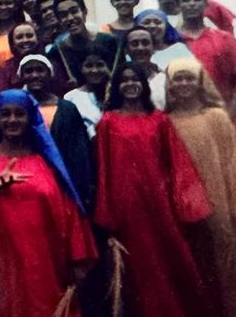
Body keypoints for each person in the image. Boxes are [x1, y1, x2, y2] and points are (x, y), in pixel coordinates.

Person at [0, 90, 96, 317]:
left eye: (19, 114)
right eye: (5, 114)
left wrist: (77, 258)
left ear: (31, 118)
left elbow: (68, 213)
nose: (12, 120)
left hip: (45, 266)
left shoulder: (47, 163)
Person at [94, 62, 212, 317]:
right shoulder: (108, 123)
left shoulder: (159, 120)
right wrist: (108, 215)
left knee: (170, 260)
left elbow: (177, 164)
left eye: (135, 79)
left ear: (143, 84)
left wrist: (186, 205)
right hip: (127, 209)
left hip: (160, 205)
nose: (130, 84)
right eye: (124, 80)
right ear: (117, 86)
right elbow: (104, 170)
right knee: (139, 267)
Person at [165, 58, 236, 317]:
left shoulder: (217, 118)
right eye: (178, 78)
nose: (184, 83)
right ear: (169, 84)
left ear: (201, 82)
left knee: (227, 264)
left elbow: (233, 164)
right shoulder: (165, 122)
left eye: (189, 78)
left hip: (220, 203)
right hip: (183, 204)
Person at [177, 0, 236, 157]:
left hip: (226, 117)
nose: (191, 3)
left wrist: (232, 111)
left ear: (205, 4)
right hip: (188, 123)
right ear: (178, 5)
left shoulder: (224, 38)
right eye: (186, 0)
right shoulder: (172, 42)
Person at [16, 55, 94, 212]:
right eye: (29, 71)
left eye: (40, 70)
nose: (35, 75)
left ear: (49, 74)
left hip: (63, 184)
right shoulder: (16, 109)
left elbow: (79, 152)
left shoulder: (67, 109)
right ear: (21, 76)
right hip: (28, 184)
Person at [46, 0, 120, 96]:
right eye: (64, 15)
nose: (70, 18)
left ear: (84, 12)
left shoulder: (110, 42)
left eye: (74, 11)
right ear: (59, 20)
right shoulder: (57, 51)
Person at [63, 43, 111, 137]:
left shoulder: (116, 94)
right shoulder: (70, 98)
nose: (94, 70)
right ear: (81, 68)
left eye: (100, 65)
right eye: (89, 66)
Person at [125, 25, 169, 109]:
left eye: (145, 43)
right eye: (134, 44)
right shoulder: (119, 81)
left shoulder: (165, 79)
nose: (140, 48)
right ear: (126, 49)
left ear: (154, 48)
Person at [0, 22, 39, 93]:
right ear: (12, 43)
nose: (25, 40)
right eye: (19, 37)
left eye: (29, 36)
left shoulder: (51, 63)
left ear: (38, 39)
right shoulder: (4, 69)